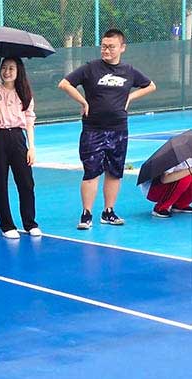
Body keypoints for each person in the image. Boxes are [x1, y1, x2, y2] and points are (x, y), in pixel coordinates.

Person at [58, 28, 156, 229]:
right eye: (103, 46)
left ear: (122, 48)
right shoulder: (90, 68)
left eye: (111, 47)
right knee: (91, 172)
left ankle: (108, 211)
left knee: (114, 172)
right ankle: (86, 214)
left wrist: (130, 97)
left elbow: (150, 86)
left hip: (119, 129)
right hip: (93, 130)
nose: (106, 50)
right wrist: (83, 101)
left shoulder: (129, 71)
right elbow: (65, 84)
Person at [0, 57, 41, 239]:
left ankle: (30, 223)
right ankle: (7, 225)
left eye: (11, 68)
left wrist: (31, 147)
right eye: (4, 68)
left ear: (18, 72)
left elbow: (29, 121)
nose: (7, 72)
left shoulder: (24, 94)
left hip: (18, 138)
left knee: (26, 182)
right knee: (0, 183)